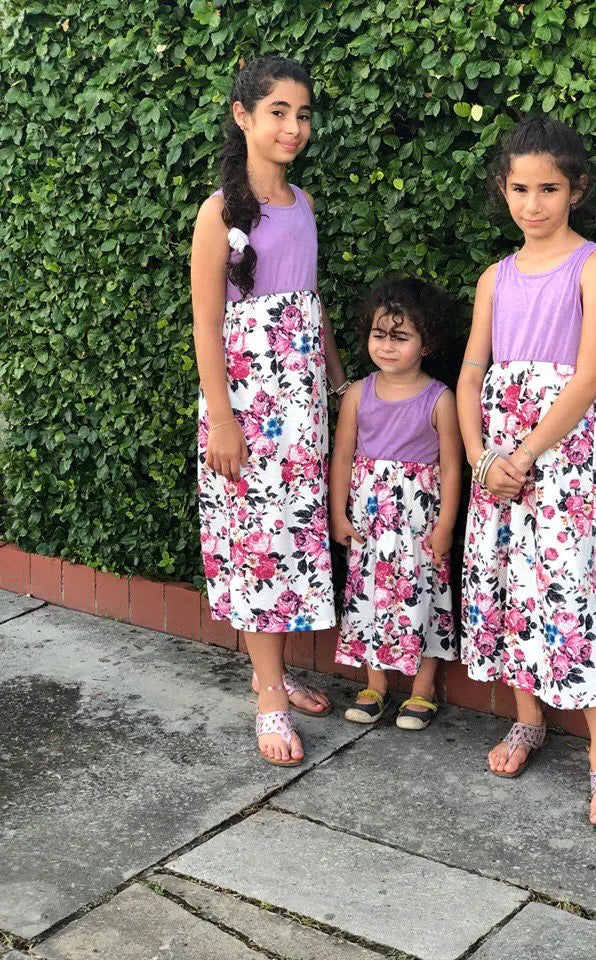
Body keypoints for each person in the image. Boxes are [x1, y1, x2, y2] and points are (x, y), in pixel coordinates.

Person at [457, 115, 596, 830]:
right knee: (506, 583)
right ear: (504, 189)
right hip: (497, 454)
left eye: (549, 189)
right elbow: (472, 370)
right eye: (520, 189)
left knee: (566, 590)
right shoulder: (493, 277)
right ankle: (527, 718)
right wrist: (481, 458)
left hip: (557, 456)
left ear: (576, 190)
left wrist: (525, 453)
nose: (533, 205)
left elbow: (589, 376)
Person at [191, 56, 348, 768]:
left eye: (303, 114)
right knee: (256, 547)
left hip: (303, 405)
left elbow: (312, 307)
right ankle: (269, 699)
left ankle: (274, 669)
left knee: (290, 542)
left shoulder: (304, 204)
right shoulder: (219, 213)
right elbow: (205, 327)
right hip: (248, 409)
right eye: (278, 111)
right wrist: (222, 419)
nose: (293, 126)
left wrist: (340, 385)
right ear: (243, 117)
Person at [332, 277, 463, 730]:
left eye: (400, 337)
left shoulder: (440, 399)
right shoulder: (356, 394)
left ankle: (423, 690)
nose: (386, 347)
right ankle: (376, 684)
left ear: (426, 344)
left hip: (417, 528)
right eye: (378, 334)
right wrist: (338, 513)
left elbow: (451, 468)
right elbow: (343, 456)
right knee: (368, 597)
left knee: (424, 598)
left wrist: (445, 525)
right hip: (370, 525)